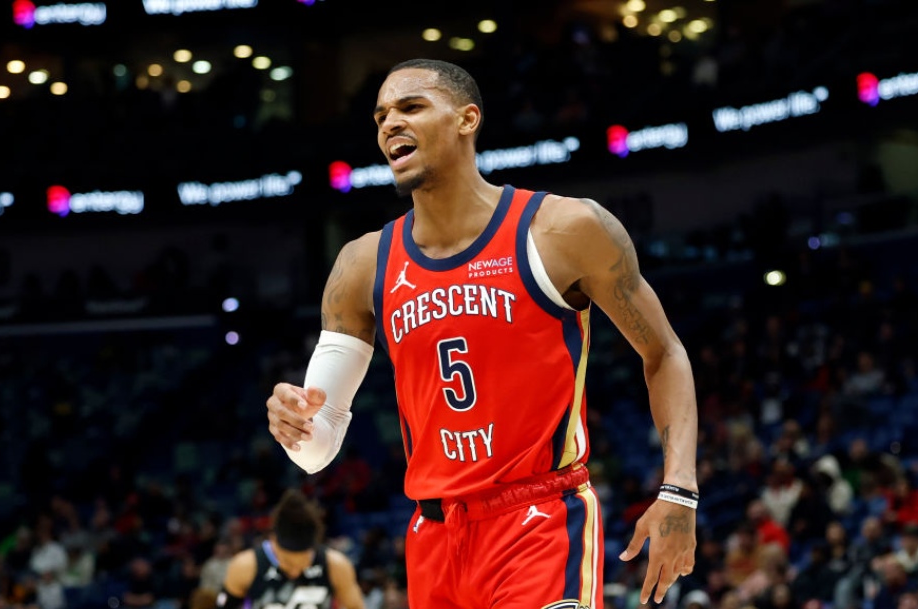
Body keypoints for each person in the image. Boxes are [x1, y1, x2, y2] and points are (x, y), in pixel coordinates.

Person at [265, 58, 699, 608]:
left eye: (411, 107)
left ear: (468, 119)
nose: (389, 124)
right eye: (380, 116)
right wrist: (295, 422)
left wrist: (679, 489)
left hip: (537, 520)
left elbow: (664, 351)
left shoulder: (564, 230)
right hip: (432, 536)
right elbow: (318, 444)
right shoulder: (361, 265)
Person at [216, 489, 364, 609]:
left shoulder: (335, 565)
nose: (294, 572)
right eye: (287, 562)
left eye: (302, 563)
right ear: (273, 541)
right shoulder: (246, 566)